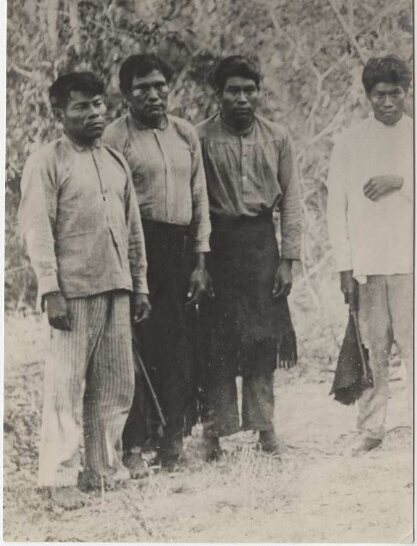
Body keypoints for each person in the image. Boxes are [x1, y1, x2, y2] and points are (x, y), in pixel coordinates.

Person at [18, 72, 151, 509]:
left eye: (98, 104)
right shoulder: (47, 161)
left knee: (116, 385)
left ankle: (102, 469)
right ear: (59, 114)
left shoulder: (114, 160)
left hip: (116, 287)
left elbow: (133, 231)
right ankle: (58, 479)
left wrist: (140, 285)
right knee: (66, 388)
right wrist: (50, 289)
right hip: (72, 293)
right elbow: (37, 229)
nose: (94, 114)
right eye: (81, 107)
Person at [103, 53, 211, 471]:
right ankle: (133, 448)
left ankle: (174, 444)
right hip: (139, 247)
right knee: (136, 349)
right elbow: (115, 207)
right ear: (126, 94)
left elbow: (199, 199)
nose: (153, 95)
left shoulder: (185, 133)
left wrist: (201, 261)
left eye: (159, 85)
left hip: (181, 251)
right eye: (142, 88)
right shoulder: (116, 137)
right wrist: (131, 271)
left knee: (179, 349)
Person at [197, 55, 302, 461]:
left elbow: (291, 202)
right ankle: (215, 433)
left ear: (258, 92)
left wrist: (288, 259)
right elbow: (197, 203)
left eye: (249, 90)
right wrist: (200, 263)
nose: (242, 98)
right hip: (218, 245)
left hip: (262, 246)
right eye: (233, 91)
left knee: (262, 341)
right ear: (218, 94)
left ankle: (264, 428)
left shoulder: (277, 137)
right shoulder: (200, 137)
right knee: (217, 342)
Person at [327, 55, 413, 455]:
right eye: (379, 94)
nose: (389, 102)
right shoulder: (349, 142)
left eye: (396, 93)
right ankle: (371, 428)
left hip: (410, 264)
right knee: (373, 349)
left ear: (407, 91)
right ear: (368, 96)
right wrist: (345, 264)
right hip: (368, 265)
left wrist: (401, 180)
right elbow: (337, 207)